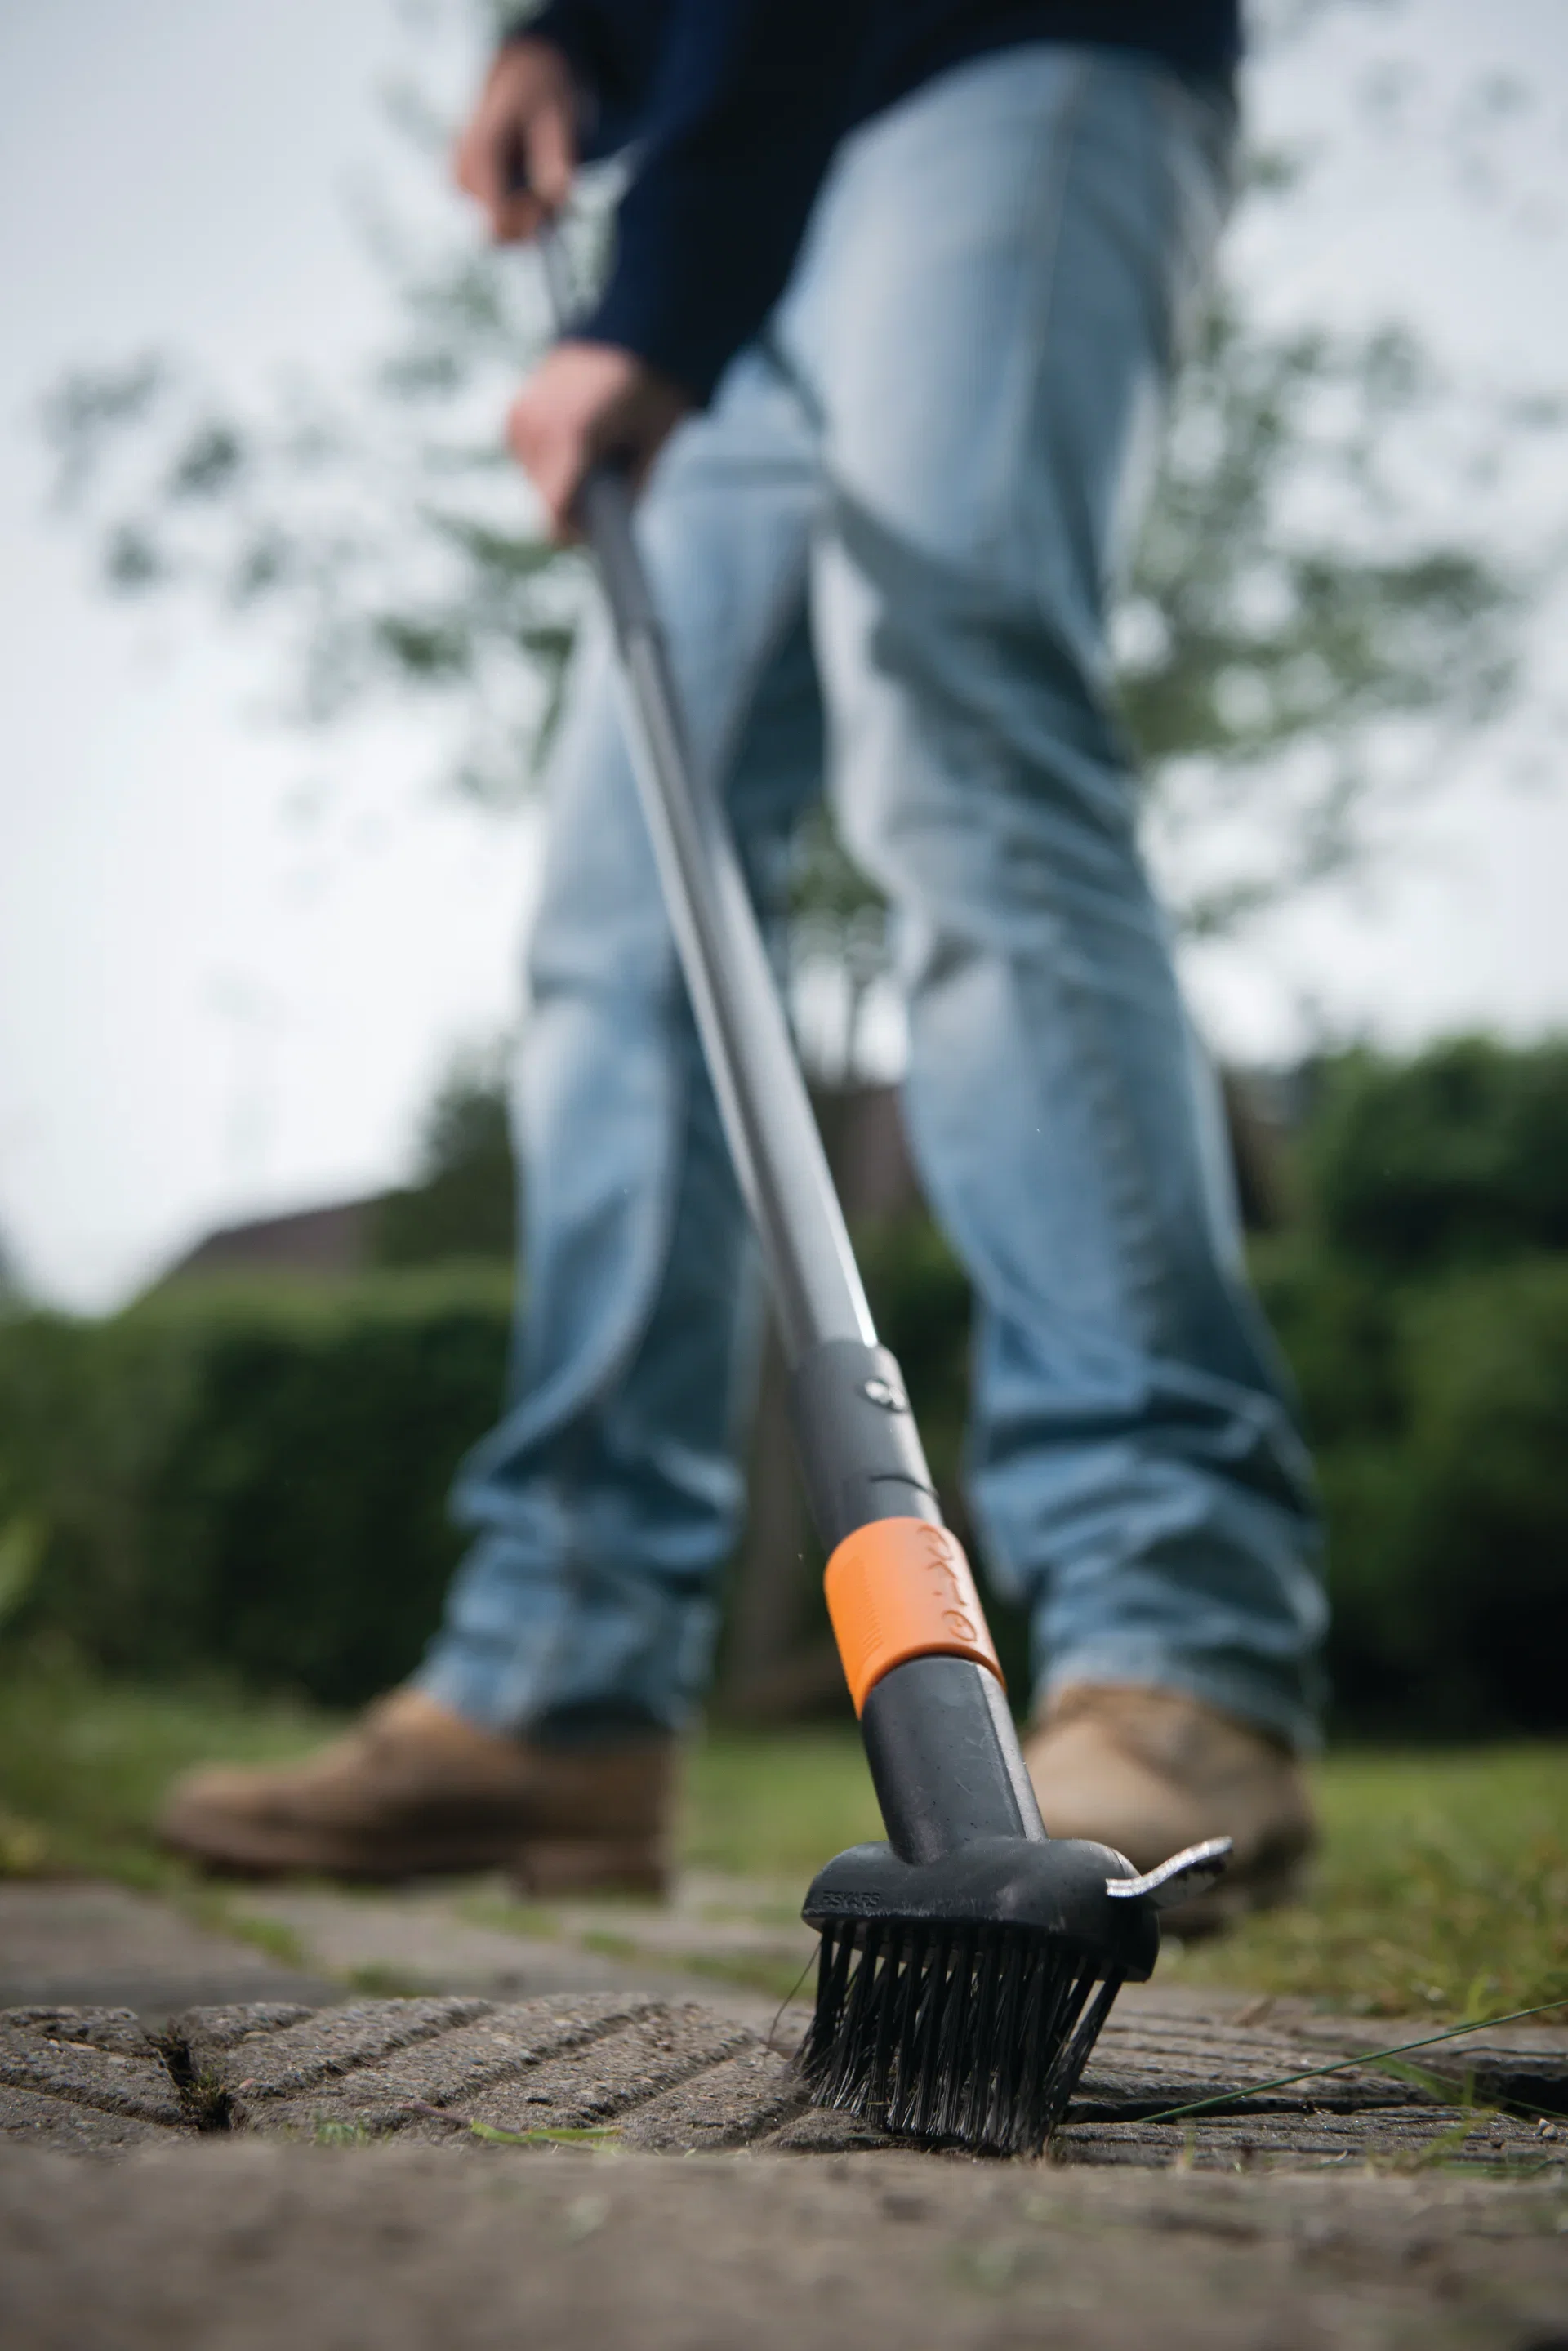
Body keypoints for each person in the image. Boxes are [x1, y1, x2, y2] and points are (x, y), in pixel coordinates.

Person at [162, 0, 1325, 1928]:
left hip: (995, 57)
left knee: (964, 748)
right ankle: (566, 1681)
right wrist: (562, 36)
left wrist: (661, 280)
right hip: (723, 184)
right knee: (623, 923)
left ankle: (1178, 1642)